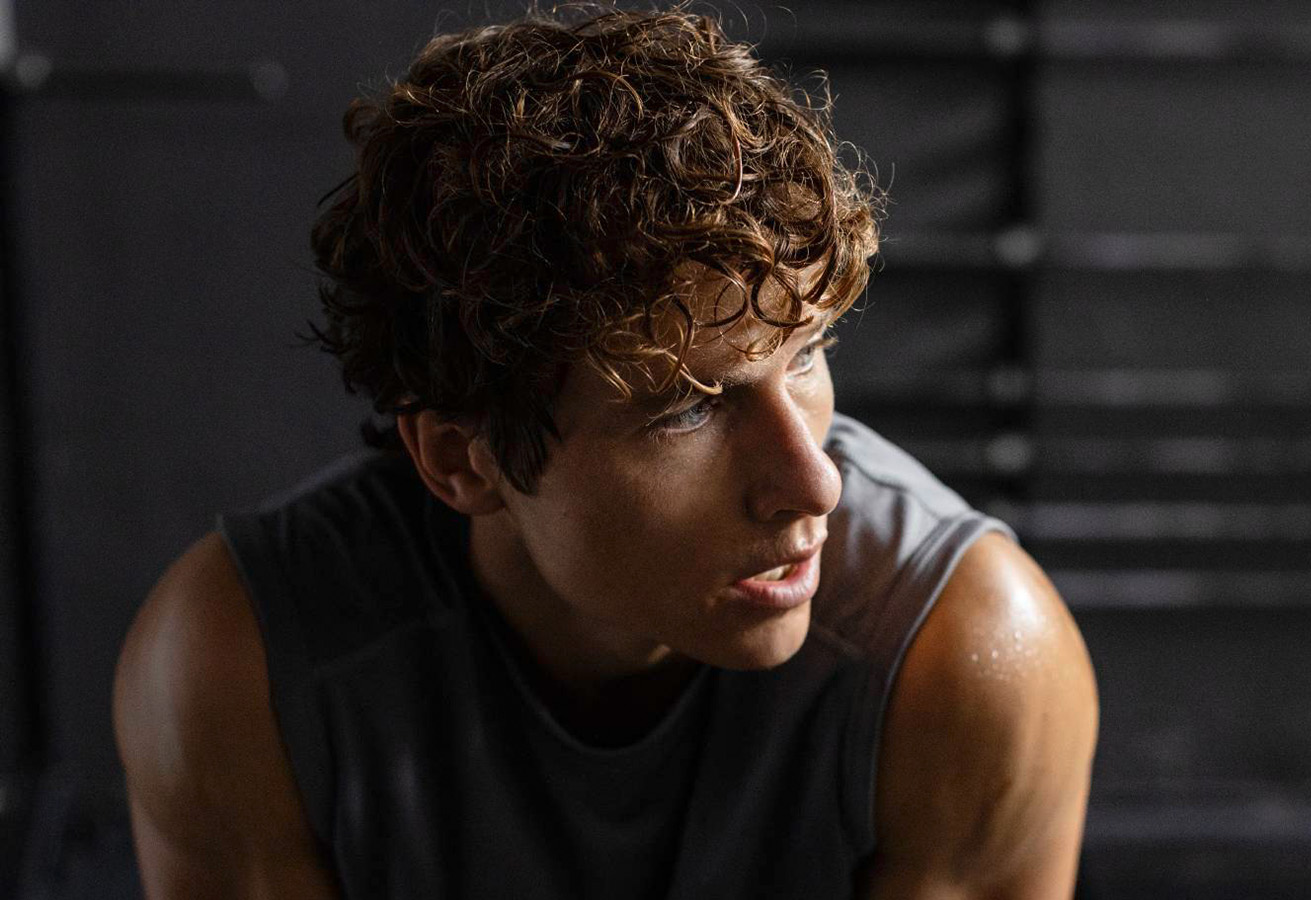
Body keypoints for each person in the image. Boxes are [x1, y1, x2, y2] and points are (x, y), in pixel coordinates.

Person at [113, 7, 1097, 898]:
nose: (813, 481)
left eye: (805, 355)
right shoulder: (236, 670)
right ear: (462, 460)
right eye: (684, 410)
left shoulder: (964, 657)